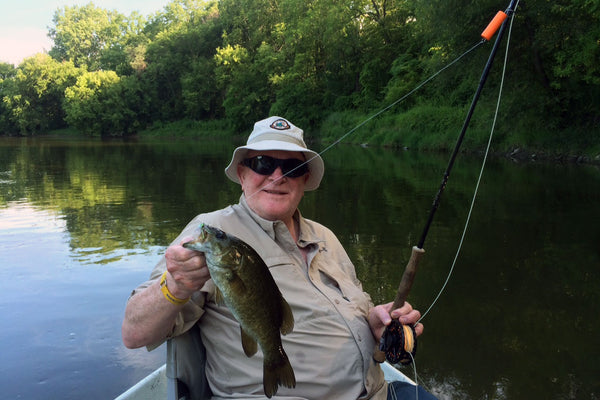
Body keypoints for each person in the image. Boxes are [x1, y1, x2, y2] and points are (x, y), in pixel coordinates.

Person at [122, 116, 437, 400]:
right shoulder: (212, 232)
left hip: (379, 392)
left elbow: (360, 312)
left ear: (304, 180)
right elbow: (134, 333)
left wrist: (376, 326)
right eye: (263, 163)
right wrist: (174, 288)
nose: (277, 176)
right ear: (243, 174)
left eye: (292, 168)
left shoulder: (325, 236)